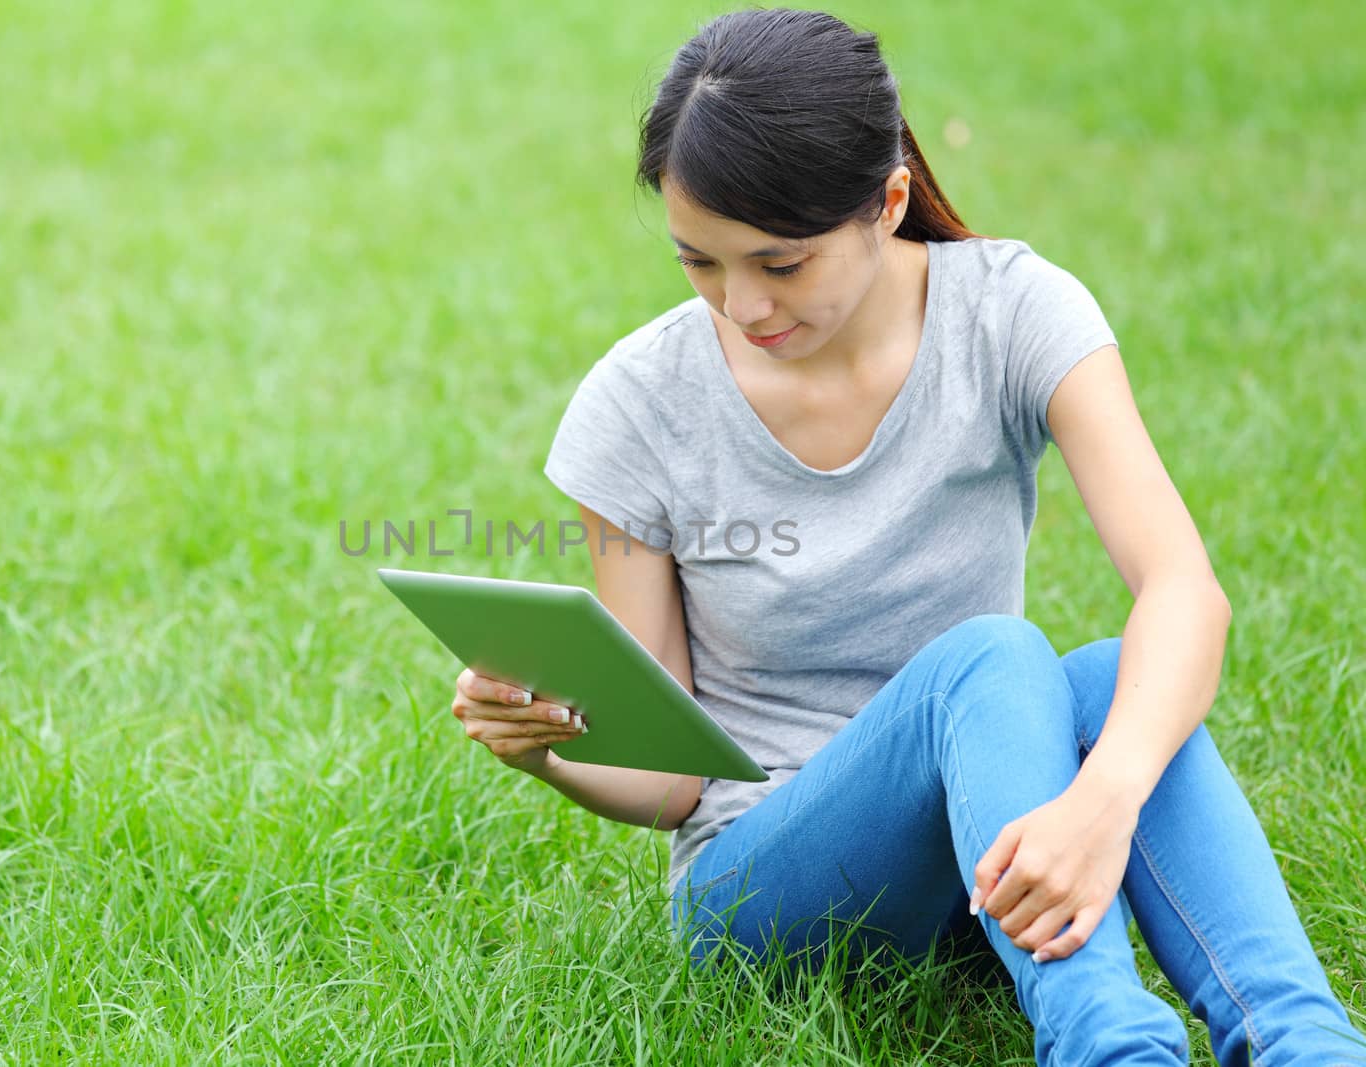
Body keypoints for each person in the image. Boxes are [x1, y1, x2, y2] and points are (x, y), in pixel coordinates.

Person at [448, 8, 1365, 1064]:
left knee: (1116, 678)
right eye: (699, 261)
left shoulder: (1012, 314)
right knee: (994, 654)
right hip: (762, 892)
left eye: (779, 264)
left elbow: (1182, 588)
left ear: (887, 204)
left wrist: (1103, 801)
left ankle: (1305, 1041)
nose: (741, 303)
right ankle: (1107, 1042)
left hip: (990, 855)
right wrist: (551, 750)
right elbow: (666, 781)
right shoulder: (639, 403)